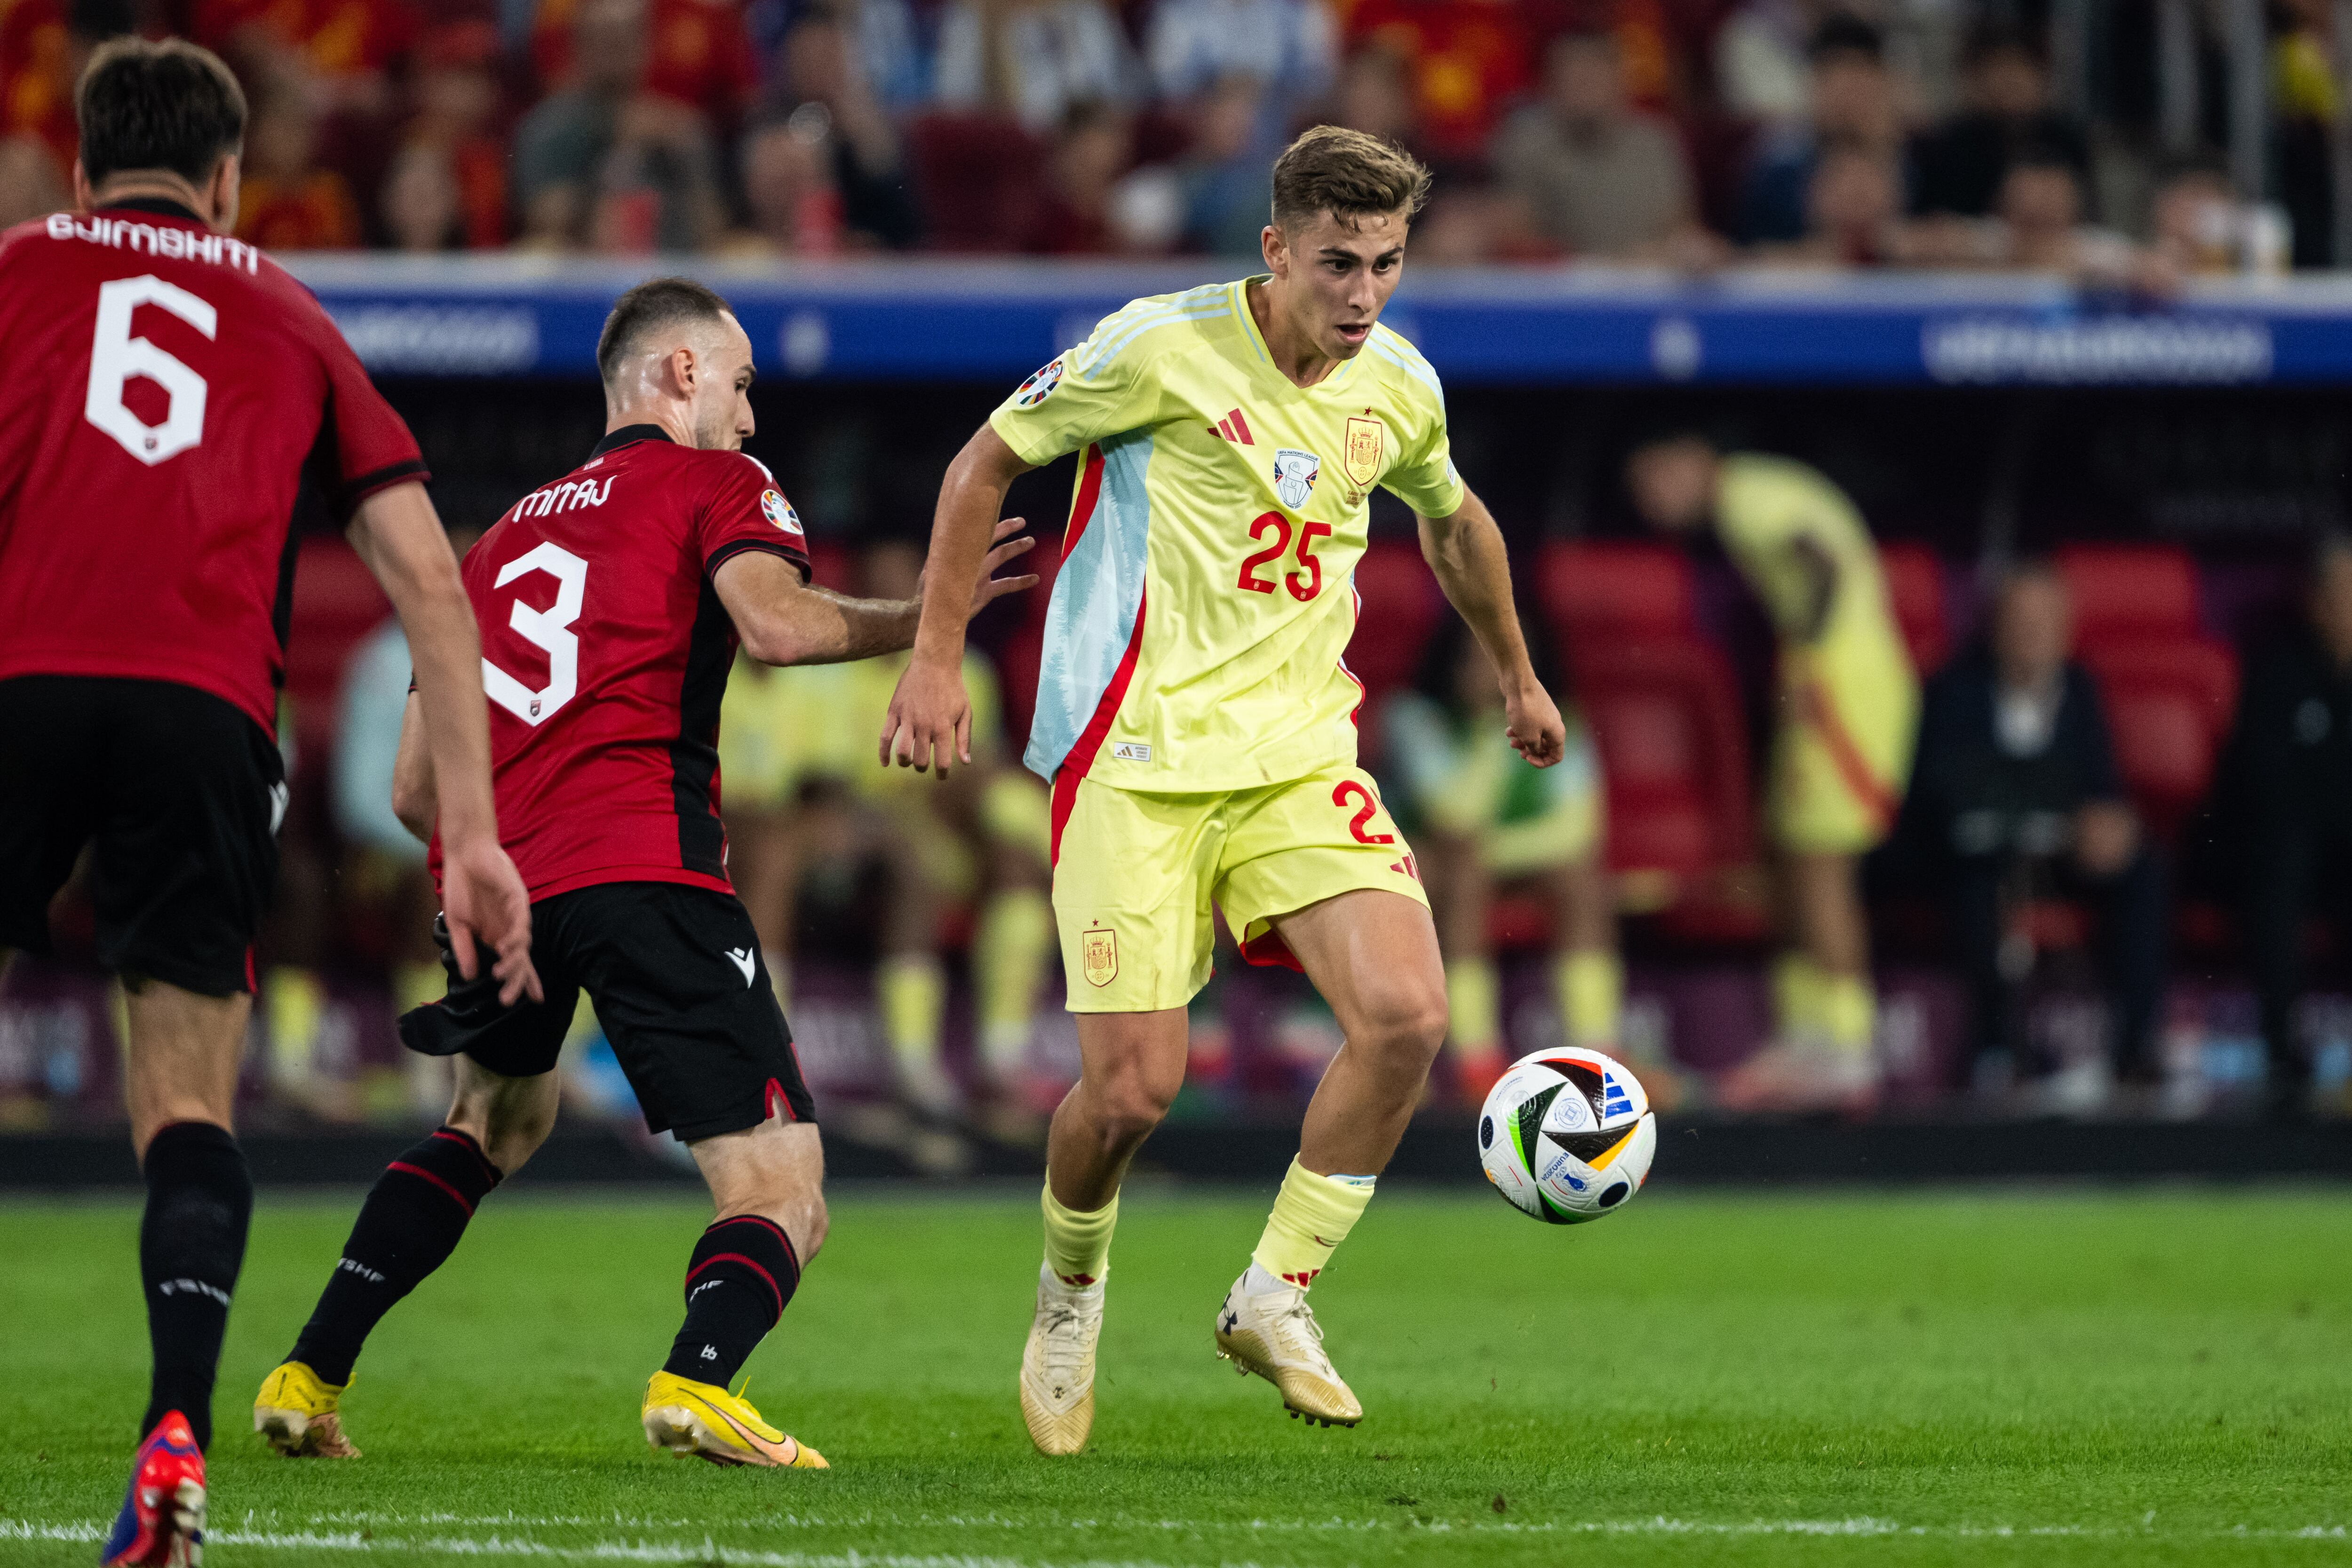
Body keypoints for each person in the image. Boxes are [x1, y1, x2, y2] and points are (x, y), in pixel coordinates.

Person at [251, 277, 1034, 1471]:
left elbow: (415, 788)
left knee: (495, 1120)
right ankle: (697, 1380)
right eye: (742, 383)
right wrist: (929, 614)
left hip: (501, 886)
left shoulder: (503, 536)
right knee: (784, 1184)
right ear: (679, 374)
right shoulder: (716, 484)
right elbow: (776, 630)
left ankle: (307, 1375)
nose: (751, 417)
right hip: (646, 869)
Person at [882, 124, 1568, 1451]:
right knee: (1133, 1093)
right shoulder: (1157, 345)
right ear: (1276, 250)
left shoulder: (1400, 387)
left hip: (1301, 759)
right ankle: (1071, 1288)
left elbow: (1456, 517)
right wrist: (932, 656)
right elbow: (983, 464)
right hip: (1132, 763)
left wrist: (1517, 677)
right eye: (1335, 264)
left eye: (1385, 265)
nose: (1362, 295)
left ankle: (1276, 1290)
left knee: (1408, 1015)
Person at [0, 38, 535, 1566]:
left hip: (18, 679)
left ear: (87, 164)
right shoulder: (286, 308)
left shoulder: (18, 270)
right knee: (183, 1101)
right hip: (205, 710)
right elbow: (434, 579)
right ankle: (174, 1432)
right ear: (230, 180)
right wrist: (479, 838)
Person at [718, 539, 1055, 1122]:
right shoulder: (826, 664)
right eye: (878, 585)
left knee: (998, 864)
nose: (897, 599)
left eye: (909, 587)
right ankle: (770, 1056)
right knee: (787, 849)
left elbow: (979, 771)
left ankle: (973, 1061)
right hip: (817, 828)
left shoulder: (965, 667)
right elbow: (822, 780)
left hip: (908, 830)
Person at [1626, 435, 1915, 1113]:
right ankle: (1809, 1033)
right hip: (1827, 686)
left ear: (1694, 458)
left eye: (1658, 479)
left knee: (1821, 864)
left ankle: (1848, 1045)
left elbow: (1822, 568)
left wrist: (1809, 657)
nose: (1652, 503)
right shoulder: (1754, 493)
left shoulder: (1749, 498)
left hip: (1843, 693)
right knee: (1789, 859)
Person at [1900, 560, 2162, 1109]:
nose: (2031, 635)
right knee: (1976, 884)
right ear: (1994, 626)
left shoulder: (2080, 689)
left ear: (2065, 630)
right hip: (1976, 852)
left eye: (2043, 622)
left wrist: (2104, 820)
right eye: (2019, 621)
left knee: (2143, 869)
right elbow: (1933, 789)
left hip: (2061, 850)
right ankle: (1993, 1052)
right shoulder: (1954, 688)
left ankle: (2136, 1054)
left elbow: (2100, 784)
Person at [1382, 613, 1637, 1100]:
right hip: (1424, 863)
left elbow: (1577, 825)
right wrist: (1490, 729)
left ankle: (1599, 1055)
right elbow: (1450, 813)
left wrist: (1494, 851)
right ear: (1451, 666)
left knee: (1579, 878)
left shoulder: (1564, 721)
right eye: (1478, 662)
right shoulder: (1412, 718)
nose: (1494, 677)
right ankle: (1475, 1062)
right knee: (1462, 870)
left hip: (1497, 855)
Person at [2216, 533, 2352, 1118]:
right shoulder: (2276, 671)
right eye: (2343, 596)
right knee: (2281, 863)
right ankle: (2279, 1061)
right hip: (2289, 848)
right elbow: (2265, 785)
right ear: (2315, 602)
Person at [1492, 28, 1716, 264]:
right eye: (1572, 71)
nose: (1584, 82)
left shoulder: (1655, 142)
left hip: (1648, 285)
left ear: (1620, 77)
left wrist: (1688, 250)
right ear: (1549, 83)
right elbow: (1515, 243)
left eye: (1595, 69)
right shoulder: (1525, 143)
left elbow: (1684, 230)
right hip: (1561, 292)